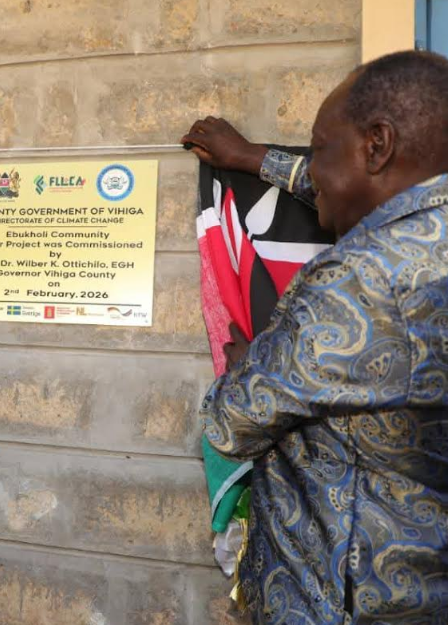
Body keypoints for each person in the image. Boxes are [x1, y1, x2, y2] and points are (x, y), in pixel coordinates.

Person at [189, 51, 448, 624]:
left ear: (377, 145)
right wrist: (252, 159)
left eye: (320, 148)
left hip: (344, 601)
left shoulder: (359, 279)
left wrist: (246, 362)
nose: (315, 170)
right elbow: (352, 190)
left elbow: (231, 422)